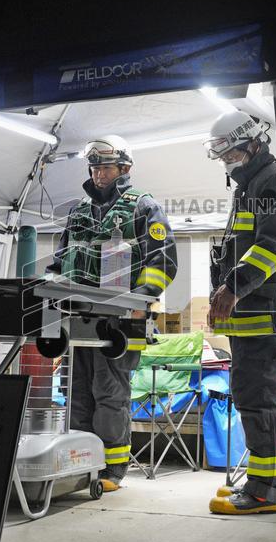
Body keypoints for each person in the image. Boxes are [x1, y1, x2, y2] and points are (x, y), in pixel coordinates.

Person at [47, 135, 178, 492]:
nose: (99, 173)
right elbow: (59, 261)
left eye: (105, 166)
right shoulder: (77, 212)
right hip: (75, 320)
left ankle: (112, 469)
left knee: (108, 392)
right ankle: (80, 462)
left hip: (117, 321)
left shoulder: (143, 207)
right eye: (94, 167)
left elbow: (163, 260)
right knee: (75, 392)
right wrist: (49, 290)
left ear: (125, 168)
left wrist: (139, 301)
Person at [203, 110, 276, 515]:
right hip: (251, 319)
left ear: (254, 142)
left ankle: (264, 492)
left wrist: (232, 287)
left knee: (259, 399)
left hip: (266, 319)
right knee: (250, 396)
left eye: (232, 153)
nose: (228, 162)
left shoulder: (271, 180)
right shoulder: (250, 184)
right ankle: (261, 484)